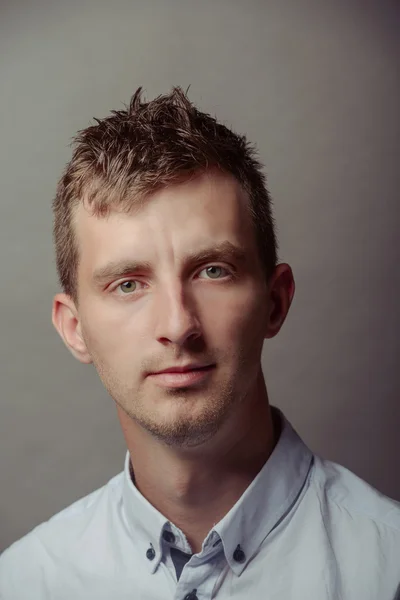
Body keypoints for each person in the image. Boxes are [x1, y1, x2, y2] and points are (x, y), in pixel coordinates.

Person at [0, 87, 399, 600]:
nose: (178, 324)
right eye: (128, 284)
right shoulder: (23, 584)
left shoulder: (388, 569)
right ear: (74, 327)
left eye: (213, 270)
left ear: (274, 302)